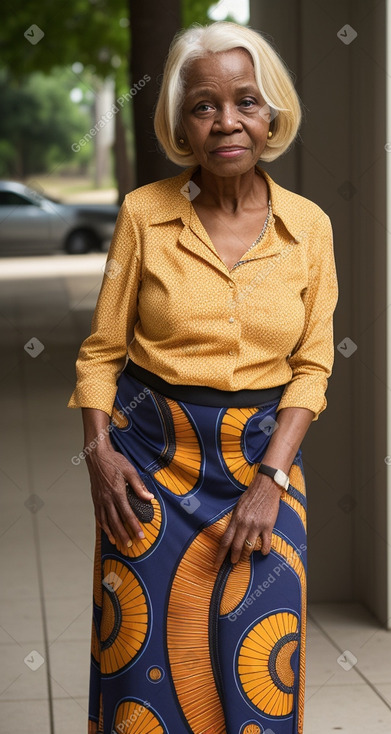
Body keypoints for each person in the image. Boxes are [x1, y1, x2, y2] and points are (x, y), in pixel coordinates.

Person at [67, 20, 338, 734]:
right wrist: (98, 456)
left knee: (258, 675)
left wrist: (269, 480)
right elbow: (100, 352)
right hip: (150, 473)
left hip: (263, 472)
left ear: (271, 114)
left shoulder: (308, 228)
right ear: (181, 124)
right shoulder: (142, 216)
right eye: (204, 105)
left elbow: (311, 365)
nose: (227, 122)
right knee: (144, 677)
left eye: (246, 101)